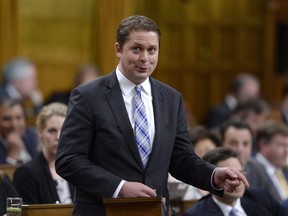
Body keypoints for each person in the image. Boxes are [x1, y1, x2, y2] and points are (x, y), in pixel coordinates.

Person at [55, 15, 248, 216]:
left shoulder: (172, 99)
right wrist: (119, 188)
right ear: (118, 49)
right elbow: (68, 160)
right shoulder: (88, 96)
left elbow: (180, 158)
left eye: (151, 50)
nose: (144, 58)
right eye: (136, 49)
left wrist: (213, 174)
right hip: (103, 210)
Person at [183, 147, 288, 216]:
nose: (237, 182)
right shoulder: (196, 214)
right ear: (214, 179)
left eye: (240, 174)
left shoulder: (261, 198)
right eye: (229, 176)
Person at [13, 103, 74, 204]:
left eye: (64, 130)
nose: (58, 137)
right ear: (40, 132)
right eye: (52, 131)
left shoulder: (76, 169)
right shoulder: (26, 173)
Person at [255, 121, 288, 203]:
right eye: (281, 145)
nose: (286, 151)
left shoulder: (282, 170)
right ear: (263, 145)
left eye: (287, 145)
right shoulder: (252, 170)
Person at [0, 97, 38, 165]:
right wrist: (12, 157)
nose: (14, 124)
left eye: (19, 118)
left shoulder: (35, 137)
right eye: (7, 119)